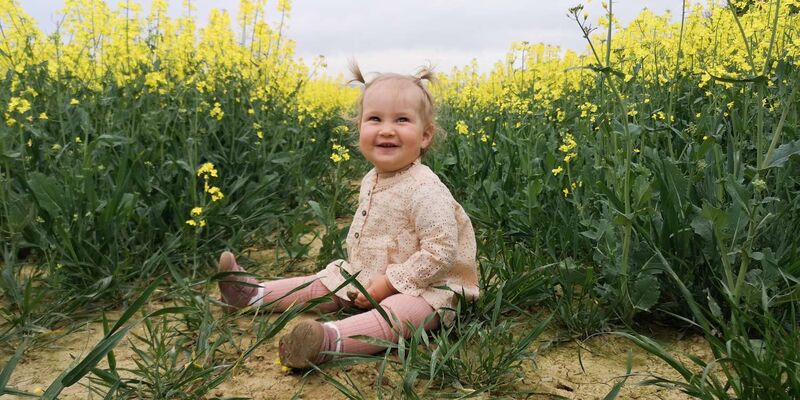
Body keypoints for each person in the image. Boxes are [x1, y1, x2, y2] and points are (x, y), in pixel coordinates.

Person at [217, 63, 479, 369]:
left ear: (425, 136)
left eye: (402, 120)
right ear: (359, 129)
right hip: (373, 276)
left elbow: (441, 252)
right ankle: (252, 295)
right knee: (328, 280)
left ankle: (328, 342)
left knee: (401, 312)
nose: (386, 129)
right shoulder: (372, 178)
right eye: (375, 119)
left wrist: (390, 284)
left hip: (431, 287)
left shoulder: (425, 189)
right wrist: (372, 279)